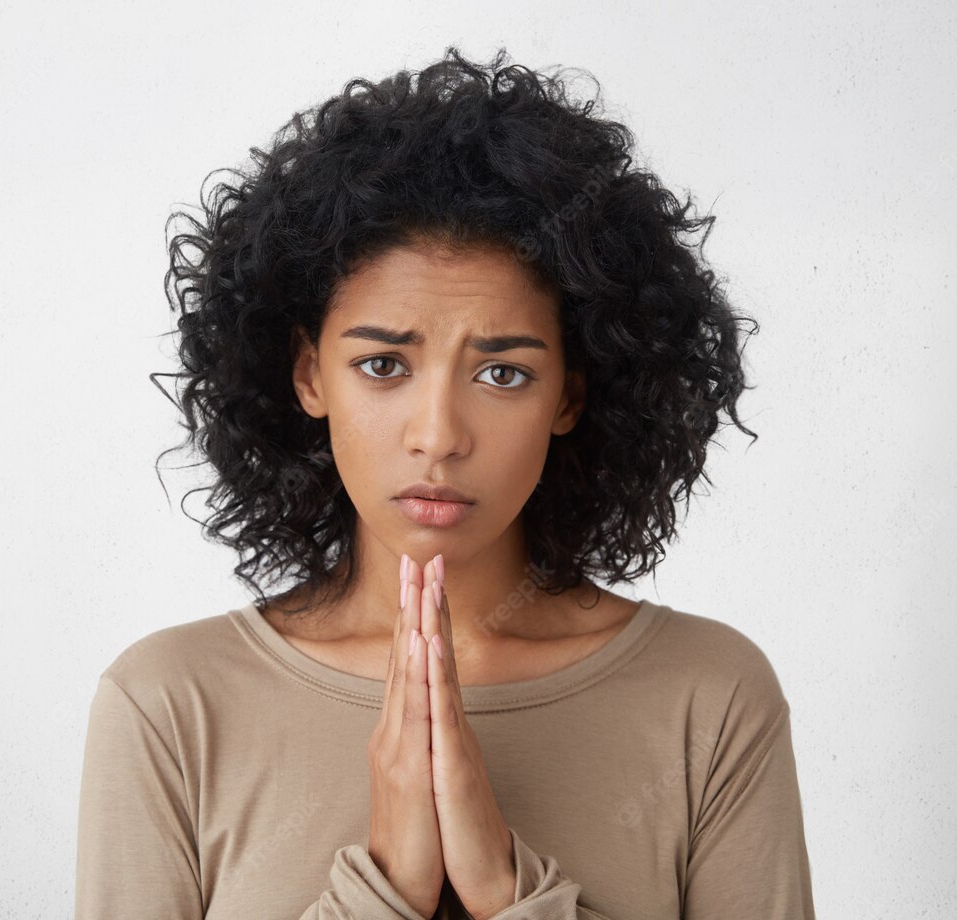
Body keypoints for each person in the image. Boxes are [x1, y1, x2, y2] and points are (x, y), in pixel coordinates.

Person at [74, 46, 815, 919]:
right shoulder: (171, 707)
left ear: (570, 395)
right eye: (383, 364)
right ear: (309, 375)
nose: (439, 437)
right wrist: (384, 883)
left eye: (502, 374)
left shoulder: (709, 698)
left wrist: (508, 890)